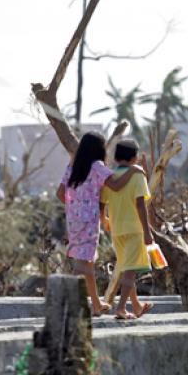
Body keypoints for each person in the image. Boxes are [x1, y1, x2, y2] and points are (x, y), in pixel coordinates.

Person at [56, 132, 142, 317]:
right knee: (83, 263)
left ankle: (95, 304)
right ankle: (69, 302)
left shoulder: (72, 166)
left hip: (74, 219)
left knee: (85, 260)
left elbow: (60, 193)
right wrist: (133, 170)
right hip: (89, 219)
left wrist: (75, 204)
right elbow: (116, 185)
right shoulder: (97, 166)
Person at [101, 139, 154, 320]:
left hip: (116, 230)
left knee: (126, 269)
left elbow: (102, 204)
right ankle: (121, 308)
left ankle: (137, 306)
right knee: (130, 271)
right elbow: (140, 205)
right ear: (134, 157)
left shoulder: (110, 177)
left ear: (116, 157)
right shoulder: (137, 175)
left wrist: (104, 220)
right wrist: (147, 232)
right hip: (134, 229)